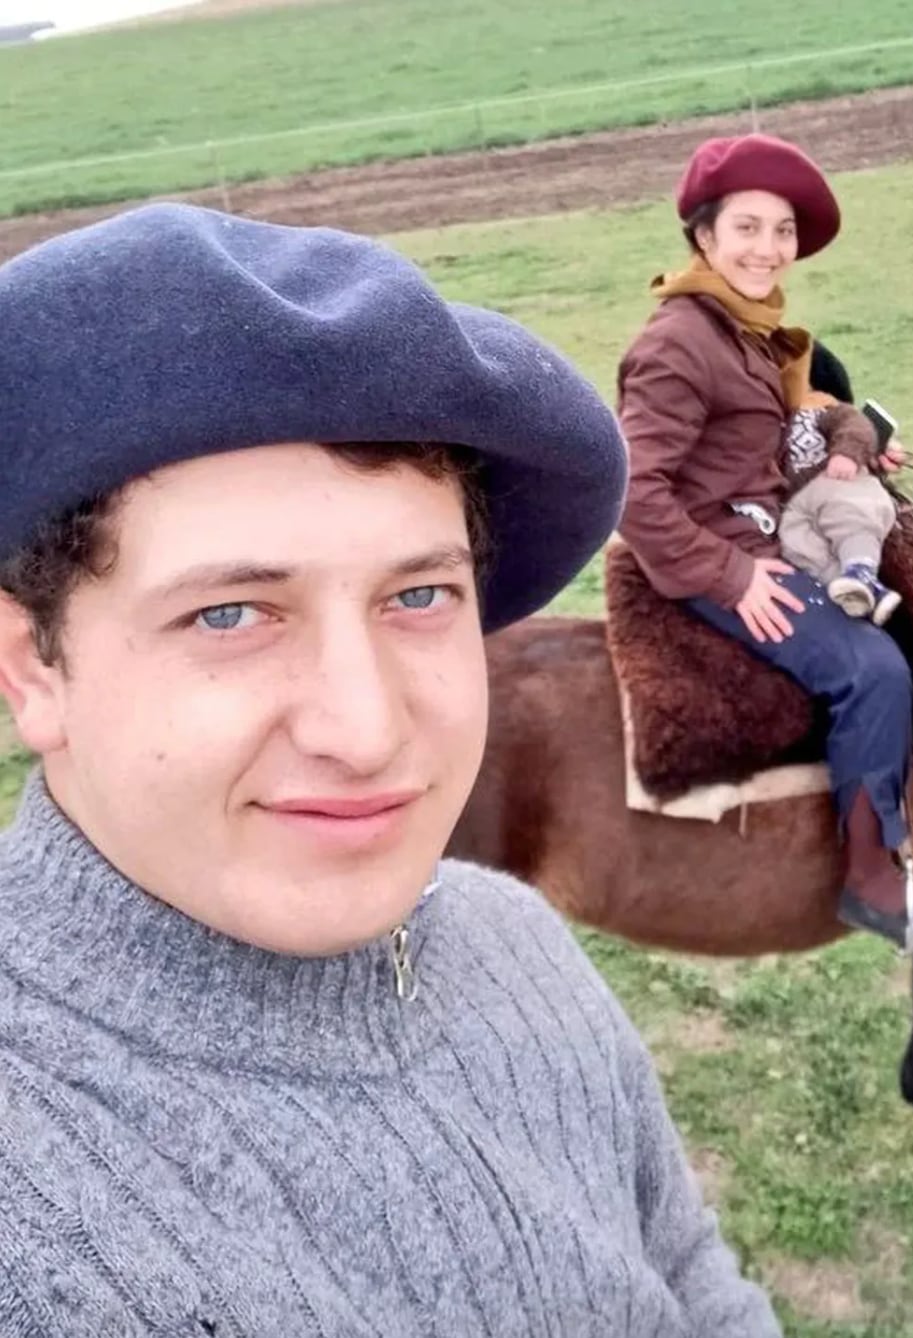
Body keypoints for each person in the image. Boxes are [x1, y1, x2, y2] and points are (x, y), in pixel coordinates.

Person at [0, 203, 782, 1336]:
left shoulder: (518, 944)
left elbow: (689, 1277)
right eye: (231, 613)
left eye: (418, 596)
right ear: (32, 668)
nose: (366, 733)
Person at [615, 132, 913, 956]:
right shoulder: (678, 343)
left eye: (780, 232)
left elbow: (772, 440)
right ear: (704, 236)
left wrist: (853, 451)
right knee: (873, 670)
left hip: (769, 527)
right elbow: (633, 488)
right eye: (746, 228)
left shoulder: (747, 331)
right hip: (720, 553)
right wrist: (731, 577)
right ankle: (871, 879)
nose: (767, 249)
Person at [778, 389, 902, 625]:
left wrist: (847, 452)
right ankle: (853, 590)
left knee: (851, 512)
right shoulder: (753, 424)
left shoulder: (815, 409)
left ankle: (861, 568)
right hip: (792, 505)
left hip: (831, 478)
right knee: (794, 542)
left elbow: (854, 422)